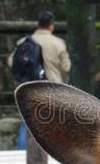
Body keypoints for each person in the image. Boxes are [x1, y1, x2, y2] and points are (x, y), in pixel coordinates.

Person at [9, 11, 71, 149]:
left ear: (38, 25)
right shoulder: (58, 43)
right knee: (54, 121)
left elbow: (11, 62)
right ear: (51, 26)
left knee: (28, 120)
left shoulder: (24, 42)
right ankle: (53, 151)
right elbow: (66, 67)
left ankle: (22, 150)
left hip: (30, 87)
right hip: (53, 87)